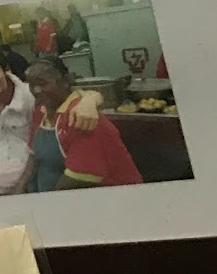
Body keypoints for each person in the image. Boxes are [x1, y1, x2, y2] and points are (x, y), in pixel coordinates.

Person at [0, 50, 105, 200]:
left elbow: (73, 95)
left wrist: (90, 100)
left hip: (24, 164)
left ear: (6, 71)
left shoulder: (31, 94)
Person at [14, 56, 142, 192]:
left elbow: (77, 179)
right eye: (32, 85)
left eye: (43, 83)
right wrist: (19, 190)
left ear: (65, 82)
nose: (36, 90)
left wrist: (45, 201)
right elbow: (34, 156)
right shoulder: (41, 111)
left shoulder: (82, 116)